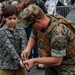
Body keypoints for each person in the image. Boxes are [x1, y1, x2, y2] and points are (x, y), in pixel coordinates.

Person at [20, 4, 75, 75]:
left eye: (30, 25)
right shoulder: (43, 21)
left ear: (38, 21)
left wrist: (34, 60)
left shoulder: (58, 33)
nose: (31, 28)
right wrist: (28, 49)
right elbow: (34, 35)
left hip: (68, 64)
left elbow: (57, 61)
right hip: (51, 61)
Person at [0, 5, 27, 75]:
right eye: (10, 18)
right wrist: (19, 61)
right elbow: (9, 48)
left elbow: (24, 47)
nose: (12, 21)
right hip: (6, 67)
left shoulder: (21, 30)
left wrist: (24, 60)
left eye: (14, 18)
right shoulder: (2, 31)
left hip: (20, 67)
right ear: (4, 18)